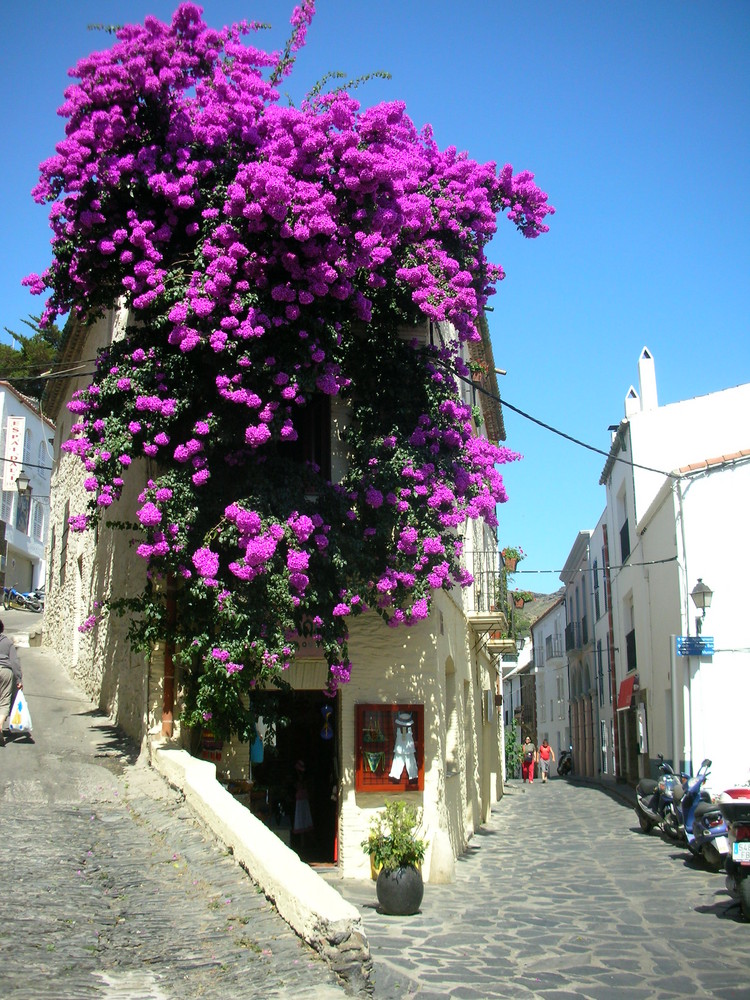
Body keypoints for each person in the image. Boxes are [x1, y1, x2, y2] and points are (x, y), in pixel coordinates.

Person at [0, 619, 23, 747]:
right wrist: (19, 679)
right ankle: (0, 724)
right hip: (5, 672)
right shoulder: (8, 643)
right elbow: (14, 662)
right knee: (4, 701)